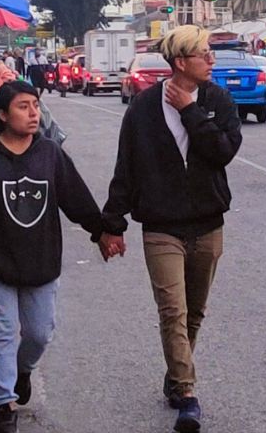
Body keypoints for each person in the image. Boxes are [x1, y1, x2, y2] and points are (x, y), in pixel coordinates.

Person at [0, 81, 117, 433]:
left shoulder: (49, 153)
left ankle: (22, 370)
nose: (33, 112)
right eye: (23, 106)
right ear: (2, 115)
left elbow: (75, 198)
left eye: (35, 105)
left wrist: (101, 231)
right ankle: (5, 403)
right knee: (2, 333)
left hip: (40, 259)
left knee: (39, 333)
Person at [100, 25, 242, 433]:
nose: (212, 60)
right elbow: (126, 169)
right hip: (161, 227)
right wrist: (112, 225)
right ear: (180, 62)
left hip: (208, 224)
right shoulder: (143, 108)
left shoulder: (218, 100)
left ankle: (175, 376)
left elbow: (222, 152)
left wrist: (190, 111)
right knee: (173, 312)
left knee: (194, 312)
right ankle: (188, 393)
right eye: (204, 54)